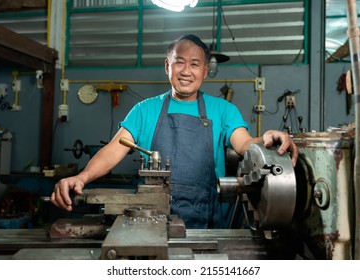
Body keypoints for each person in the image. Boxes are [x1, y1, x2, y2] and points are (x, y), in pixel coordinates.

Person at [51, 34, 298, 229]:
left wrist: (264, 139)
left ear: (204, 71)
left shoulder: (223, 110)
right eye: (179, 62)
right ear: (167, 66)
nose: (186, 71)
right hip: (150, 219)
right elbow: (114, 150)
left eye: (194, 64)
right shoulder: (144, 110)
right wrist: (81, 177)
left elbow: (245, 144)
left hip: (207, 224)